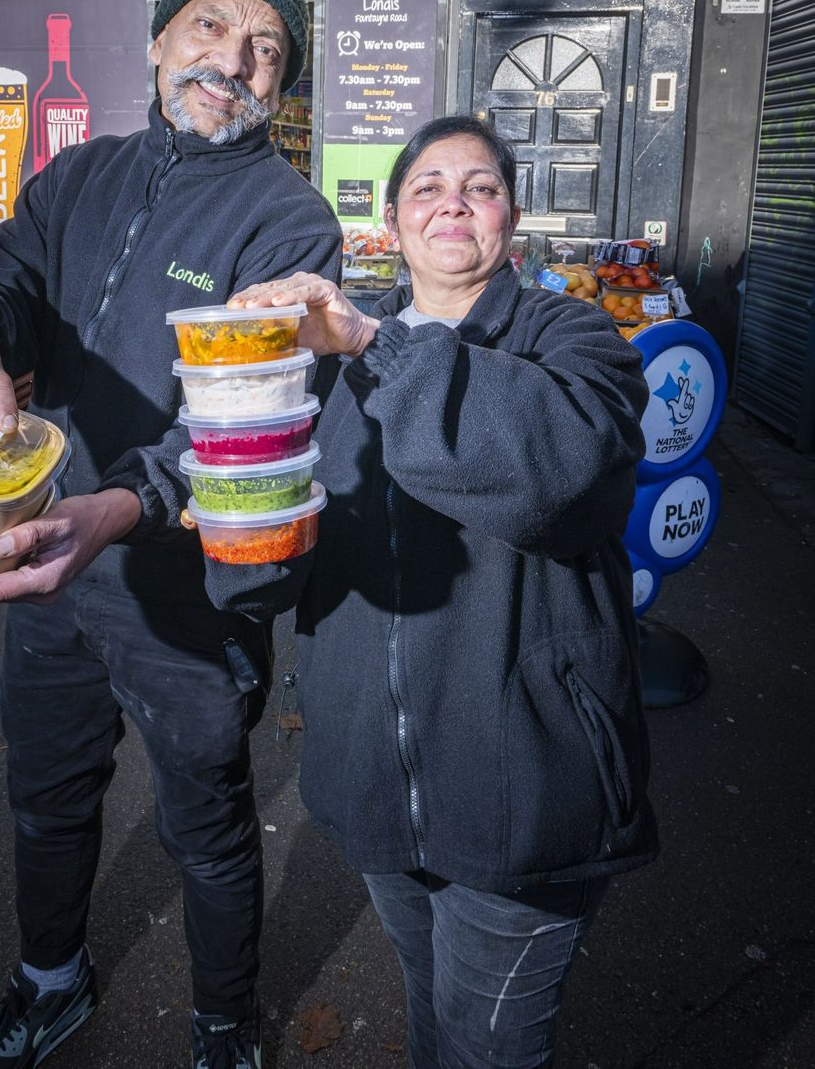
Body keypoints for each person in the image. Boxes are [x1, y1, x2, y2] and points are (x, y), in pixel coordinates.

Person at [0, 0, 342, 1069]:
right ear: (157, 43)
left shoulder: (292, 228)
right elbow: (4, 278)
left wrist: (118, 505)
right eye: (208, 29)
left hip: (189, 590)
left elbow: (235, 431)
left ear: (280, 91)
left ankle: (224, 1025)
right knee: (45, 793)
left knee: (206, 826)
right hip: (46, 556)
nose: (231, 62)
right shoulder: (76, 179)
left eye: (264, 50)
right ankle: (51, 982)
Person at [204, 114, 658, 1069]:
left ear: (514, 220)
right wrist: (224, 505)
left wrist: (375, 341)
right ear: (395, 222)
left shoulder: (573, 337)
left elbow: (562, 469)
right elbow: (286, 541)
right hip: (374, 780)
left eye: (482, 186)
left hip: (527, 791)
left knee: (491, 1046)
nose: (454, 200)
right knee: (431, 1012)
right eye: (428, 188)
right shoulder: (323, 358)